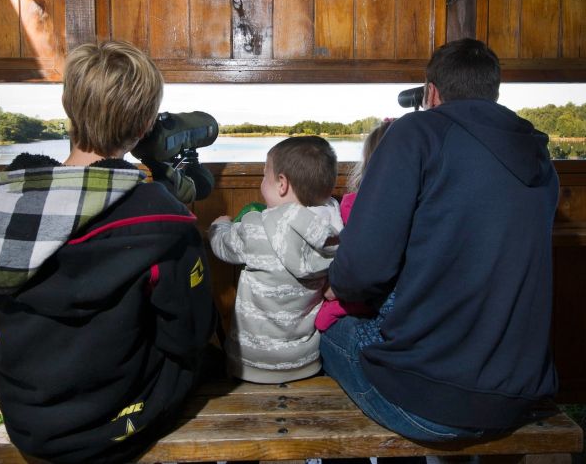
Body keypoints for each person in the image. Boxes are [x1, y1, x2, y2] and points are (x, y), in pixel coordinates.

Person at [0, 41, 216, 463]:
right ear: (143, 127)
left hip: (28, 420)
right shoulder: (160, 220)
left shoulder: (4, 202)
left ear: (69, 108)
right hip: (111, 426)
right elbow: (189, 335)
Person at [321, 38, 559, 445]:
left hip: (430, 405)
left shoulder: (416, 132)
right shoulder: (540, 156)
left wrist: (336, 287)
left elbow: (360, 273)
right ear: (493, 92)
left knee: (329, 335)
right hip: (519, 396)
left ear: (431, 92)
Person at [209, 136, 343, 384]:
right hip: (307, 361)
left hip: (250, 364)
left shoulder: (255, 228)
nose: (261, 183)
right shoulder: (333, 233)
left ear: (282, 184)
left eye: (263, 176)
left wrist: (220, 226)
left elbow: (223, 248)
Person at [315, 118, 394, 332]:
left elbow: (354, 264)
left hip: (358, 298)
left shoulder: (353, 205)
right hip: (395, 300)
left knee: (319, 322)